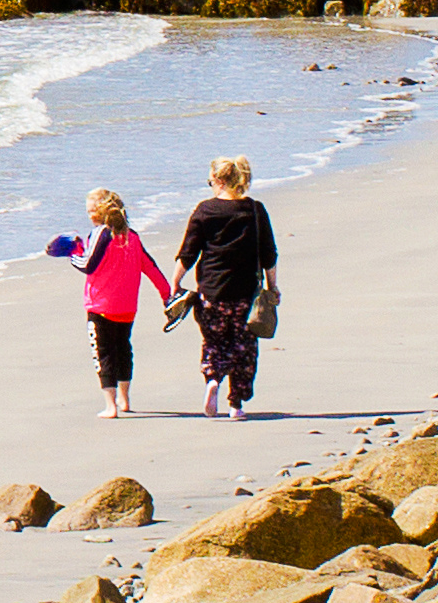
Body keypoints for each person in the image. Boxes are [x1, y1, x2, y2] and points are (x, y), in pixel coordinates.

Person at [48, 192, 178, 419]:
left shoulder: (101, 234)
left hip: (101, 306)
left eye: (90, 211)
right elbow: (151, 267)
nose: (89, 215)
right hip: (127, 307)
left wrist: (73, 251)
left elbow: (88, 264)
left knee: (103, 353)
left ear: (101, 212)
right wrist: (167, 296)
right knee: (123, 349)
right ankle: (125, 399)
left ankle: (111, 406)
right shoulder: (132, 236)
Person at [178, 159, 278, 419]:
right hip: (246, 293)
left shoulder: (205, 210)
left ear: (218, 180)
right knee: (244, 346)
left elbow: (189, 253)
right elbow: (269, 254)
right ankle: (236, 405)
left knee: (214, 340)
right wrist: (273, 286)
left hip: (211, 291)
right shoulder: (255, 210)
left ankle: (213, 379)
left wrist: (175, 283)